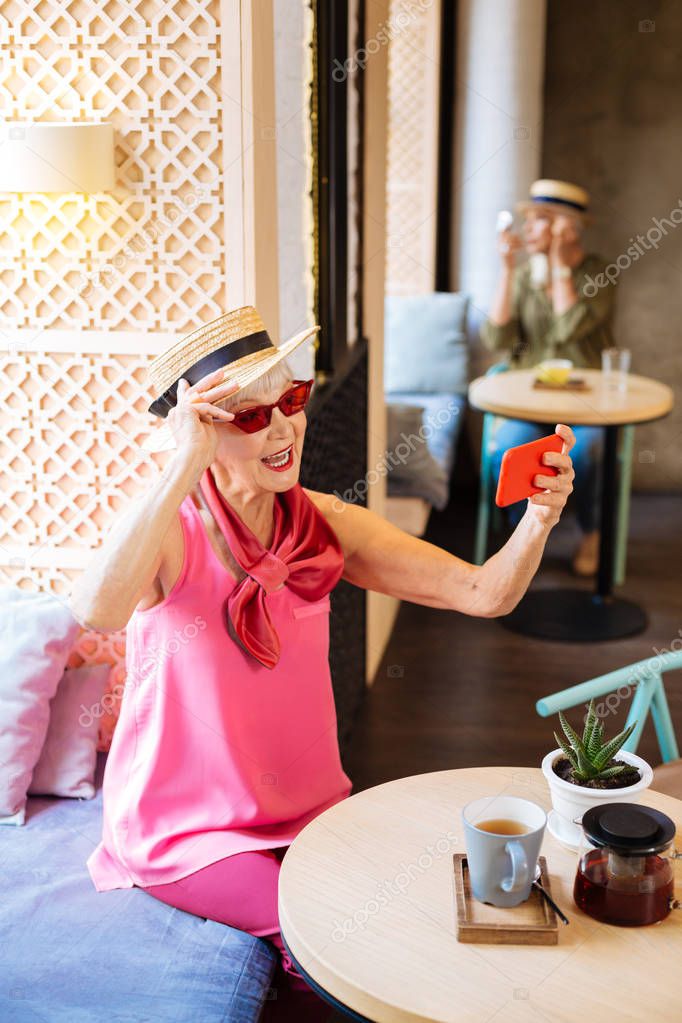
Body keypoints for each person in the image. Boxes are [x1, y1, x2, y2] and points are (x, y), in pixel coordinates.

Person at [68, 305, 575, 1022]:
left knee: (415, 907)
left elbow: (482, 591)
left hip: (308, 810)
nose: (283, 428)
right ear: (201, 432)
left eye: (291, 400)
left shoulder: (324, 521)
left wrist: (539, 518)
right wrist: (180, 465)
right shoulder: (173, 537)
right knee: (330, 939)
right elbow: (97, 607)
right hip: (188, 829)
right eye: (250, 417)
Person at [481, 179, 616, 576]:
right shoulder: (525, 275)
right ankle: (516, 536)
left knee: (588, 453)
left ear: (566, 227)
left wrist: (558, 264)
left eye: (539, 221)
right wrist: (507, 272)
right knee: (507, 448)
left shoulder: (600, 273)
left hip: (586, 402)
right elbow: (496, 336)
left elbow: (567, 328)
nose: (528, 230)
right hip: (528, 399)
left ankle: (591, 533)